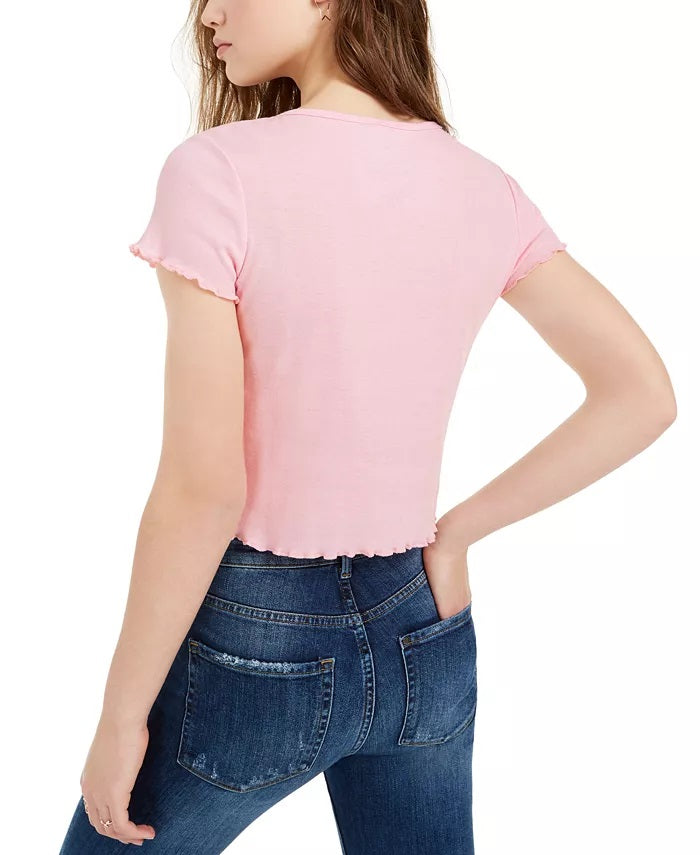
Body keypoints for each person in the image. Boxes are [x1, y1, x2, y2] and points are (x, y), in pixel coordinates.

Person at [58, 0, 676, 852]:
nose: (208, 15)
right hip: (423, 627)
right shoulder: (482, 186)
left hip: (257, 639)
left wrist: (120, 716)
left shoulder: (217, 170)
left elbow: (205, 489)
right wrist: (454, 537)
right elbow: (641, 393)